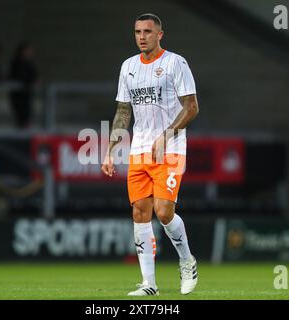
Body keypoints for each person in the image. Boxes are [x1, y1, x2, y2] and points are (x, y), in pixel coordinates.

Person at [101, 13, 199, 296]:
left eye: (147, 31)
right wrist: (110, 151)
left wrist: (166, 135)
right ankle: (149, 284)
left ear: (160, 34)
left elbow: (191, 106)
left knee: (164, 211)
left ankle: (187, 260)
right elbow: (123, 111)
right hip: (140, 150)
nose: (141, 36)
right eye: (137, 31)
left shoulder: (175, 63)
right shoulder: (128, 66)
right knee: (139, 213)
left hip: (170, 148)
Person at [9, 42, 38, 128]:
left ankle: (25, 134)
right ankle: (22, 137)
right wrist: (30, 80)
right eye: (28, 51)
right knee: (22, 117)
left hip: (26, 95)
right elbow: (21, 76)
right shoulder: (17, 63)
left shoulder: (29, 63)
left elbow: (34, 75)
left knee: (26, 117)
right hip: (19, 96)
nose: (30, 53)